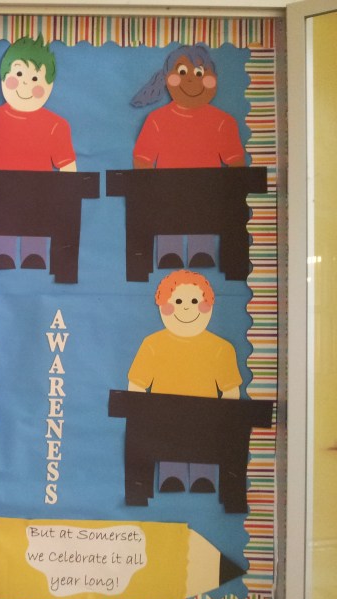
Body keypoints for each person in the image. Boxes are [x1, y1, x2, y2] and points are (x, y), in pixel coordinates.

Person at [131, 44, 246, 269]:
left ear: (212, 78)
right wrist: (151, 193)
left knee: (202, 242)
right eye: (182, 72)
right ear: (168, 78)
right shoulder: (157, 120)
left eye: (200, 72)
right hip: (167, 198)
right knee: (168, 240)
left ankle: (201, 252)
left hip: (206, 198)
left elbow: (236, 164)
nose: (191, 79)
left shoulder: (223, 122)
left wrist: (227, 197)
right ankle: (169, 253)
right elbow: (143, 159)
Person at [127, 270, 241, 494]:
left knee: (203, 458)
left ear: (209, 305)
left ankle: (203, 477)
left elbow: (231, 391)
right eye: (178, 301)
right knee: (171, 461)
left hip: (205, 424)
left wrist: (221, 421)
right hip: (164, 423)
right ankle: (172, 477)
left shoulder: (221, 348)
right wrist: (146, 418)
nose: (186, 308)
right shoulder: (152, 344)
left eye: (194, 301)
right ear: (163, 305)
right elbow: (137, 387)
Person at [0, 35, 77, 271]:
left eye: (35, 78)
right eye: (18, 74)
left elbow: (67, 167)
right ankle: (2, 257)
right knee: (0, 253)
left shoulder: (56, 125)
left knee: (34, 256)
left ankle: (34, 258)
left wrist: (66, 198)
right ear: (4, 76)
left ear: (49, 85)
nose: (25, 86)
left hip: (38, 203)